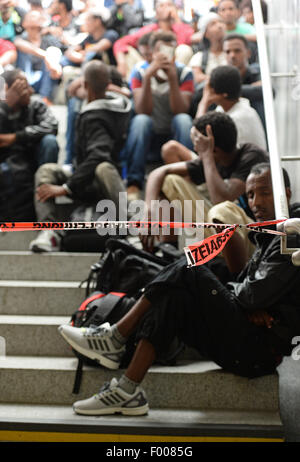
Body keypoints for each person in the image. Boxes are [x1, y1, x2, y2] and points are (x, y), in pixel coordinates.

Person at [59, 163, 300, 416]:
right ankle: (127, 391)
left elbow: (252, 295)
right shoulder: (269, 232)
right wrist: (248, 301)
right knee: (175, 296)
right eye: (250, 195)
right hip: (246, 339)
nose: (255, 202)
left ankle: (116, 336)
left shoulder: (292, 234)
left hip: (258, 353)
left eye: (264, 192)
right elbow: (250, 290)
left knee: (189, 266)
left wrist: (249, 301)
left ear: (286, 194)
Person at [29, 60, 131, 252]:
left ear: (86, 86)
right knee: (46, 171)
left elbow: (98, 156)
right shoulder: (115, 105)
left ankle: (133, 230)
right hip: (82, 175)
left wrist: (66, 188)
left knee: (103, 166)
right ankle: (50, 232)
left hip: (100, 183)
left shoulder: (97, 115)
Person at [140, 111, 268, 253]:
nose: (195, 149)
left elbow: (220, 200)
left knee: (222, 212)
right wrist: (149, 210)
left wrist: (206, 155)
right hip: (223, 231)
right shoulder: (214, 159)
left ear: (214, 149)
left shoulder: (251, 156)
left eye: (197, 144)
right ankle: (169, 250)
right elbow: (158, 173)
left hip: (252, 237)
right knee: (170, 181)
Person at [123, 30, 194, 200]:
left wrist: (171, 79)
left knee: (184, 120)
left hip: (173, 134)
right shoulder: (140, 71)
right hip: (149, 133)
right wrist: (148, 77)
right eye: (161, 51)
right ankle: (134, 182)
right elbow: (142, 110)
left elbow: (180, 110)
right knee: (141, 120)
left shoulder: (184, 73)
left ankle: (187, 178)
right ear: (153, 52)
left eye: (170, 51)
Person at [0, 69, 59, 221]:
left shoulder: (36, 105)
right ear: (8, 90)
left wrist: (18, 137)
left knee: (50, 141)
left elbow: (52, 126)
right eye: (24, 87)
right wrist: (6, 104)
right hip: (8, 164)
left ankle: (44, 194)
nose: (31, 91)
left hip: (34, 158)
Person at [113, 0, 194, 79]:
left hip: (173, 70)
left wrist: (176, 19)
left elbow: (185, 40)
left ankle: (175, 82)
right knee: (127, 51)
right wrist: (121, 63)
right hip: (150, 69)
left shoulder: (181, 27)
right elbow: (120, 43)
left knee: (184, 49)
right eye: (162, 5)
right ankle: (132, 85)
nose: (166, 8)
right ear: (156, 13)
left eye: (169, 5)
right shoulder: (149, 29)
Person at [14, 10, 63, 103]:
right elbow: (19, 44)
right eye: (31, 16)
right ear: (24, 23)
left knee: (53, 50)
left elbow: (59, 54)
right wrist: (46, 56)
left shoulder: (49, 40)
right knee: (23, 52)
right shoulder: (20, 39)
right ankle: (24, 92)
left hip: (43, 79)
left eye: (37, 17)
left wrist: (52, 59)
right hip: (25, 79)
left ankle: (45, 98)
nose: (34, 19)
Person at [223, 34, 265, 127]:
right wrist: (251, 89)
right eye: (227, 52)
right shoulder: (220, 74)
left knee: (258, 101)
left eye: (237, 51)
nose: (232, 55)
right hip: (229, 126)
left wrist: (227, 91)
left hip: (256, 122)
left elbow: (268, 91)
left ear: (248, 53)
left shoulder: (258, 70)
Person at [188, 12, 227, 86]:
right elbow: (197, 78)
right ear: (205, 33)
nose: (219, 26)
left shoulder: (233, 52)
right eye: (213, 24)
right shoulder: (199, 57)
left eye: (221, 22)